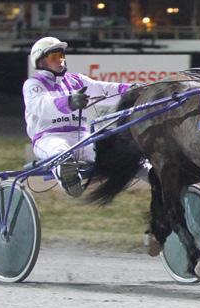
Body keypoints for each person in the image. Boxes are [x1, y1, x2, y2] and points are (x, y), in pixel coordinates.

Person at [23, 36, 132, 197]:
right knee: (60, 151)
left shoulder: (76, 80)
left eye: (61, 55)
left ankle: (155, 177)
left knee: (120, 152)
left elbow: (104, 89)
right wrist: (70, 102)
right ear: (41, 62)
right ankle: (67, 176)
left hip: (83, 138)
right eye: (54, 57)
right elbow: (42, 106)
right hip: (48, 138)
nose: (60, 60)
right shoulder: (33, 84)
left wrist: (131, 90)